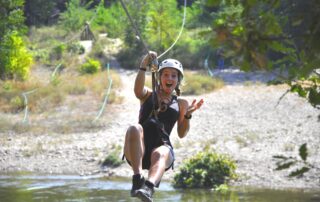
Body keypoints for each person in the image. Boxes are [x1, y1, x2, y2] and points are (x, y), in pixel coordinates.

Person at [123, 51, 204, 202]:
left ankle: (148, 188)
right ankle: (137, 178)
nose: (169, 78)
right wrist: (143, 65)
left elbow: (182, 133)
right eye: (166, 74)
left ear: (178, 80)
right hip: (137, 150)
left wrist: (187, 115)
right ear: (159, 77)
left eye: (174, 75)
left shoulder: (181, 103)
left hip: (160, 153)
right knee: (134, 128)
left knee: (162, 151)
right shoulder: (148, 94)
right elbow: (137, 91)